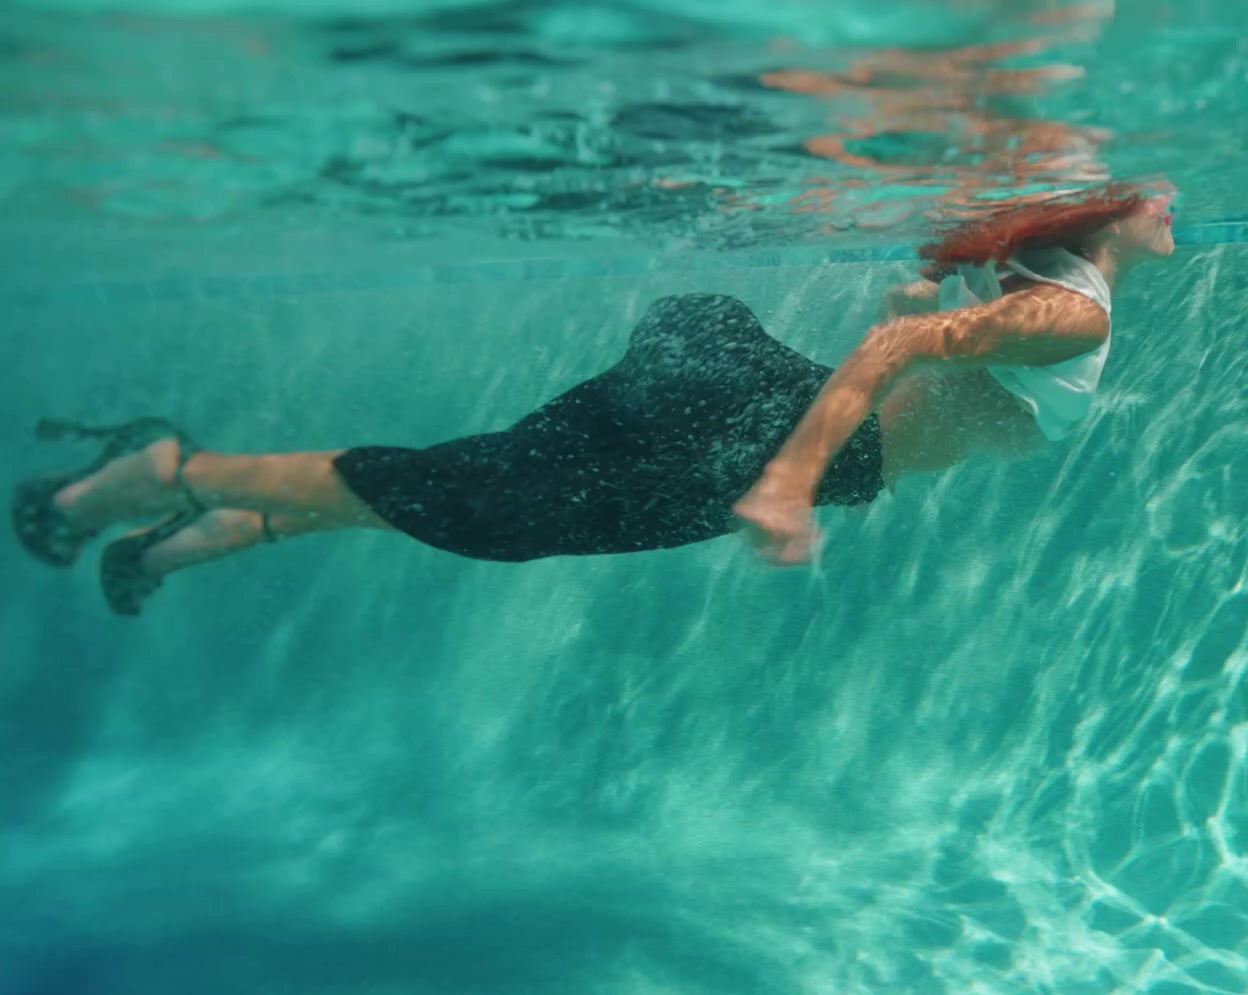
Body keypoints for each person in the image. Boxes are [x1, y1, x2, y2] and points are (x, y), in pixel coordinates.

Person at [11, 184, 1177, 615]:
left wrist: (923, 282)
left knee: (472, 487)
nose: (1171, 200)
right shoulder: (1075, 314)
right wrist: (782, 490)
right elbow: (904, 350)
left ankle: (185, 543)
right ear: (1106, 215)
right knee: (480, 506)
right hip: (760, 443)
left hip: (736, 386)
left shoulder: (1047, 279)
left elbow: (908, 324)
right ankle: (151, 474)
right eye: (1150, 194)